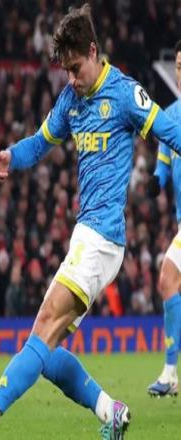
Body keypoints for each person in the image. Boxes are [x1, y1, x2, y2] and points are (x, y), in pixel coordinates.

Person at [0, 4, 181, 439]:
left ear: (93, 52)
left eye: (75, 68)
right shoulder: (71, 99)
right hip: (85, 236)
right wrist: (12, 156)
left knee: (45, 325)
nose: (71, 78)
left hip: (102, 236)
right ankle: (110, 411)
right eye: (65, 70)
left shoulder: (125, 93)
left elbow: (171, 131)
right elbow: (40, 142)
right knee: (45, 349)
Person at [146, 40, 181, 398]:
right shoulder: (168, 117)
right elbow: (163, 168)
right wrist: (155, 183)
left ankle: (171, 373)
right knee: (168, 280)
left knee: (168, 277)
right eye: (179, 67)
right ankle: (170, 374)